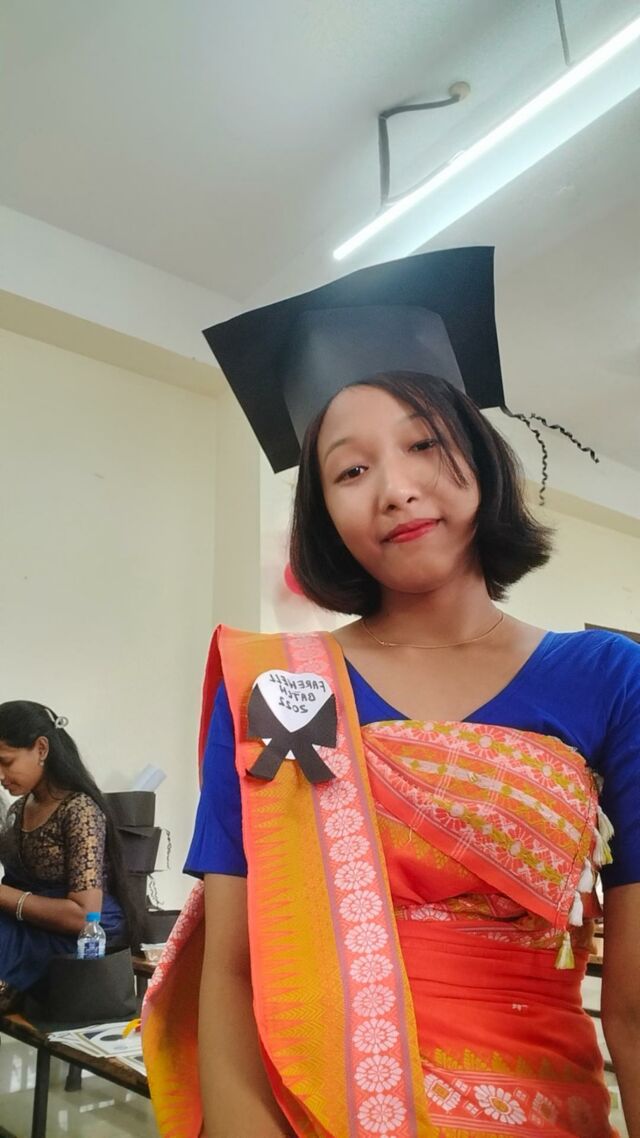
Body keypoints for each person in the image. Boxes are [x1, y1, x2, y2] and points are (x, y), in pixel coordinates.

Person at [141, 247, 640, 1138]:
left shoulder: (609, 676)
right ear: (323, 511)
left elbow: (634, 1006)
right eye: (351, 470)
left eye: (422, 443)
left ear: (478, 452)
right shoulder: (278, 685)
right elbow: (238, 972)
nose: (397, 490)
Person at [0, 700, 138, 1011]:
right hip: (32, 925)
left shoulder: (79, 810)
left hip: (79, 938)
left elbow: (84, 917)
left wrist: (5, 897)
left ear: (41, 748)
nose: (1, 775)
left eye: (6, 762)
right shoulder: (19, 810)